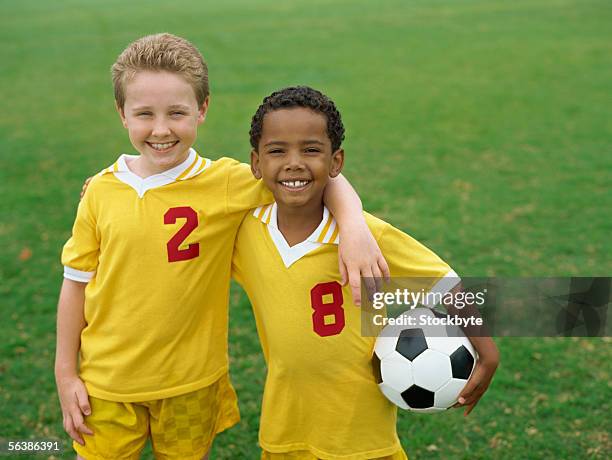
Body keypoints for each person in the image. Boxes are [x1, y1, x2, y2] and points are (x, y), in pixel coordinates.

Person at [56, 35, 387, 460]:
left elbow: (313, 173)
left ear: (203, 109)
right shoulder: (101, 191)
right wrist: (66, 373)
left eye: (177, 113)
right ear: (122, 114)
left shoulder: (226, 183)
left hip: (192, 385)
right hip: (106, 384)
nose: (161, 129)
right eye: (144, 114)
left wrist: (355, 225)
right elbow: (75, 285)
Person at [232, 86, 500, 459]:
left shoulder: (366, 238)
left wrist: (487, 352)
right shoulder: (245, 231)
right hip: (285, 423)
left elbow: (444, 283)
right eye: (277, 151)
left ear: (335, 162)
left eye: (311, 150)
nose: (294, 163)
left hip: (360, 430)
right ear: (256, 163)